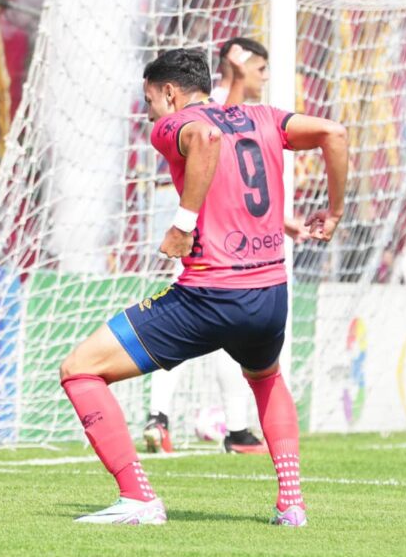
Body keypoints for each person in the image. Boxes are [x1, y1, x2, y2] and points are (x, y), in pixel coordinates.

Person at [60, 47, 347, 526]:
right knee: (266, 378)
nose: (151, 113)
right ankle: (292, 505)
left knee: (79, 370)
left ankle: (138, 498)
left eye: (150, 101)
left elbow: (207, 135)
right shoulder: (264, 116)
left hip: (210, 295)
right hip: (271, 292)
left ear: (169, 93)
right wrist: (333, 212)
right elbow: (333, 133)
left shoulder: (175, 124)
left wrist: (183, 223)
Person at [142, 38, 297, 457]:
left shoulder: (231, 116)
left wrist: (281, 221)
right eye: (260, 69)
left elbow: (237, 184)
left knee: (190, 336)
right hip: (210, 246)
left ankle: (166, 417)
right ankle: (234, 429)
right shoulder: (218, 116)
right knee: (231, 340)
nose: (264, 78)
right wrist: (185, 223)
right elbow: (214, 145)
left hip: (215, 240)